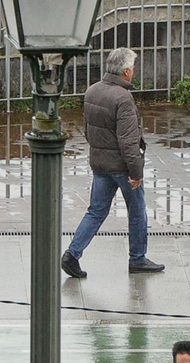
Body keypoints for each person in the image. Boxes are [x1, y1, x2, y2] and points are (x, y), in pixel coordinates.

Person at [62, 48, 164, 276]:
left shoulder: (92, 91)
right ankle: (137, 259)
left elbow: (87, 130)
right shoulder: (123, 98)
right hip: (122, 167)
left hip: (100, 164)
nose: (134, 71)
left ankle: (72, 254)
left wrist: (99, 152)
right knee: (137, 211)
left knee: (96, 211)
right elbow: (129, 142)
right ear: (126, 71)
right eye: (133, 67)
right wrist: (136, 173)